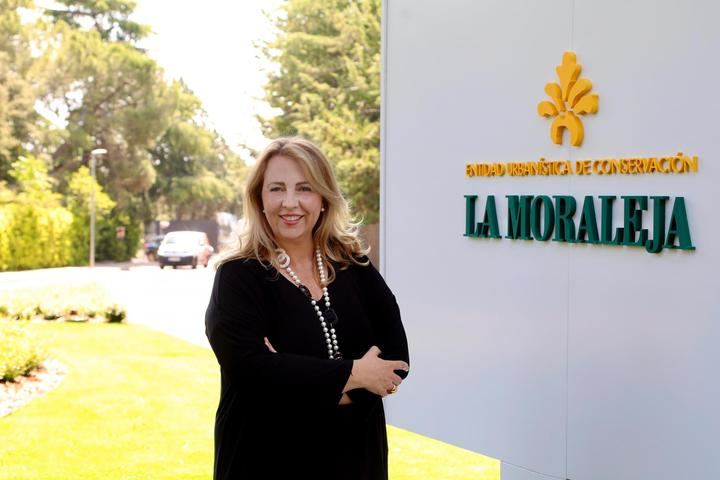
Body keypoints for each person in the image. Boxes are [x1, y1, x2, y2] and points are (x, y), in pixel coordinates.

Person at [205, 137, 410, 480]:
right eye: (276, 189)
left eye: (304, 188)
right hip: (266, 460)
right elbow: (252, 373)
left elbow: (396, 361)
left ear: (323, 198)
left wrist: (291, 377)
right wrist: (359, 375)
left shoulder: (355, 267)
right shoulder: (237, 276)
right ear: (259, 199)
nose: (290, 203)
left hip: (356, 460)